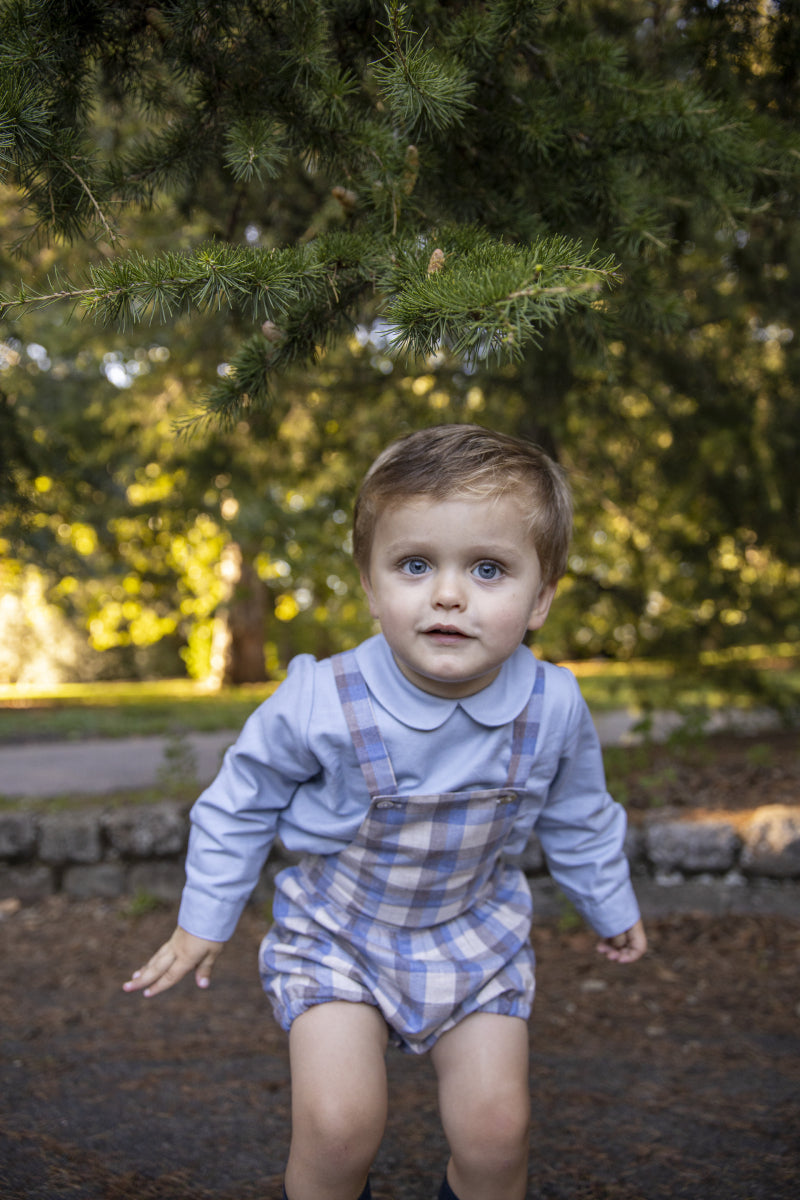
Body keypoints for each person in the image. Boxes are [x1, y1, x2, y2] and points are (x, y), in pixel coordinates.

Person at [123, 423, 647, 1200]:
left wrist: (609, 902)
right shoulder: (321, 699)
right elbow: (240, 802)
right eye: (414, 564)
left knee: (497, 1135)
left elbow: (579, 814)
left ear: (540, 599)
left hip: (476, 935)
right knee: (339, 1128)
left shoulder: (553, 705)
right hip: (338, 936)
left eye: (489, 569)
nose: (447, 594)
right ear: (370, 587)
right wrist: (206, 917)